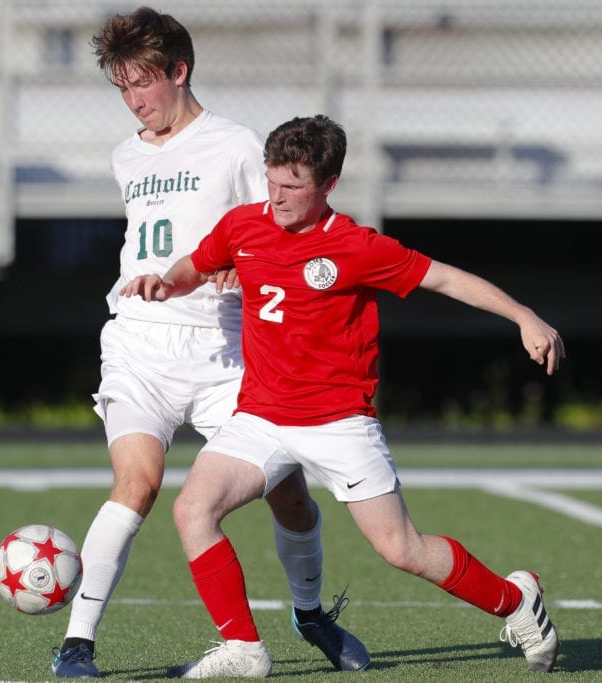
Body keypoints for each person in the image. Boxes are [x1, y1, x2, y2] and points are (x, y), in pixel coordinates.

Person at [122, 114, 565, 678]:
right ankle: (243, 650)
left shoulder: (356, 246)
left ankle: (515, 601)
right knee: (193, 510)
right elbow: (197, 265)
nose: (276, 197)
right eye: (271, 181)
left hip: (339, 423)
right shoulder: (242, 225)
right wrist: (165, 280)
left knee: (402, 549)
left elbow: (445, 279)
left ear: (328, 186)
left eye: (293, 187)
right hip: (259, 416)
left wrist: (523, 316)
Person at [50, 11, 369, 678]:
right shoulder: (126, 154)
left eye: (143, 83)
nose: (135, 100)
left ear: (179, 71)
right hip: (139, 345)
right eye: (122, 87)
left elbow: (286, 234)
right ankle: (78, 643)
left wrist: (242, 266)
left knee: (287, 489)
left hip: (224, 352)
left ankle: (310, 613)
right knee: (136, 484)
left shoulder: (236, 146)